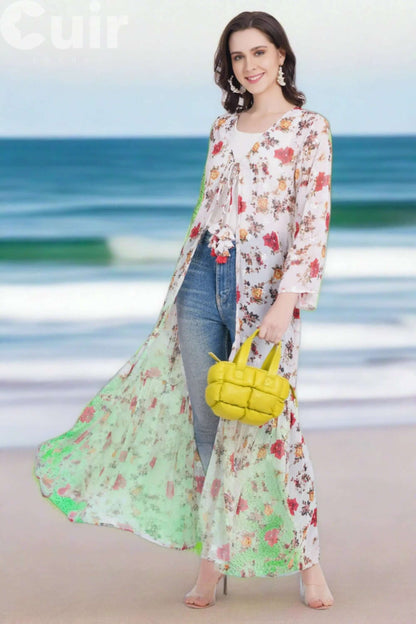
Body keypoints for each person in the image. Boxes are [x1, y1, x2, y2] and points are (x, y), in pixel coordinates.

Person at [33, 10, 334, 613]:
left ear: (281, 56)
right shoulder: (223, 129)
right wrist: (186, 285)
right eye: (238, 57)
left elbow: (312, 219)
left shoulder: (309, 129)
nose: (249, 66)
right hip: (201, 280)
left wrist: (286, 301)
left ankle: (309, 563)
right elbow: (210, 210)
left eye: (259, 53)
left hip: (263, 294)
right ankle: (212, 564)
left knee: (272, 424)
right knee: (207, 427)